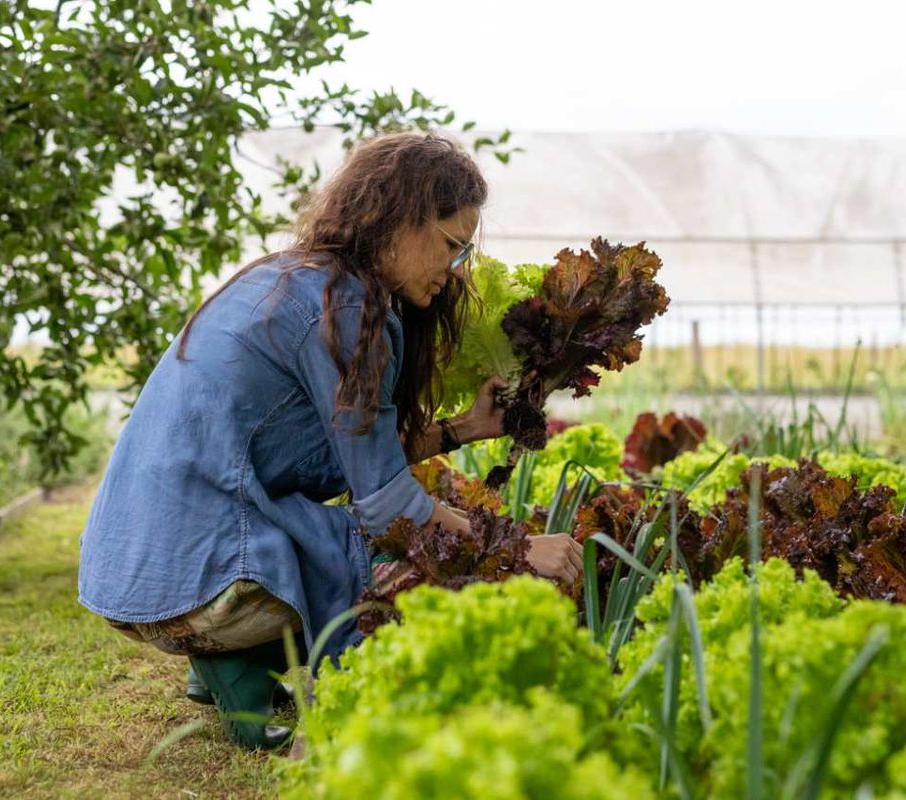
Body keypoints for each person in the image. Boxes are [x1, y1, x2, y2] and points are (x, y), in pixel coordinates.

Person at [77, 131, 585, 750]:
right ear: (400, 219)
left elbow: (356, 461)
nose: (455, 270)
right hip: (199, 584)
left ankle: (229, 663)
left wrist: (465, 428)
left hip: (138, 570)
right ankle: (249, 661)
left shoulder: (299, 279)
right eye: (451, 245)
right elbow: (388, 506)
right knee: (398, 562)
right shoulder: (345, 310)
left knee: (375, 531)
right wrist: (518, 550)